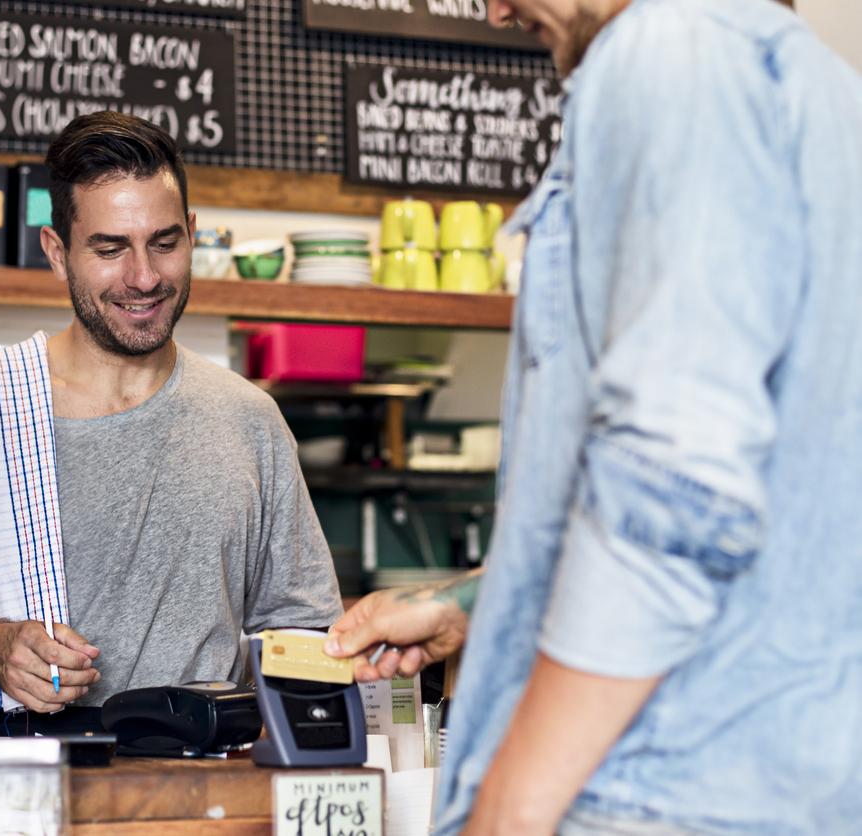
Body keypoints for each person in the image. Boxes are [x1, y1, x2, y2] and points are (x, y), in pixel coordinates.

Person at [327, 0, 862, 833]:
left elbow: (675, 492)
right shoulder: (822, 85)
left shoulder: (668, 50)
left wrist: (510, 805)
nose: (498, 10)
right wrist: (474, 602)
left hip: (654, 785)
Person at [0, 112, 342, 732]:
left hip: (204, 784)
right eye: (110, 249)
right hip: (18, 784)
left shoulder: (249, 420)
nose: (144, 277)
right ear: (58, 253)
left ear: (191, 234)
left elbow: (301, 629)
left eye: (164, 243)